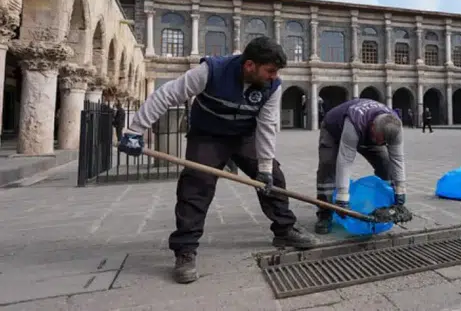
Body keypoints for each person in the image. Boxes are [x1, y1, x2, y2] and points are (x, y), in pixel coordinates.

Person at [117, 37, 317, 284]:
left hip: (244, 136)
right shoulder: (211, 71)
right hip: (208, 135)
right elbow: (166, 96)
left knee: (273, 178)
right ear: (250, 66)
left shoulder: (272, 87)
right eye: (270, 71)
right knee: (196, 186)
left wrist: (264, 168)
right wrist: (135, 131)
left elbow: (267, 126)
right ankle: (185, 250)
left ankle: (285, 229)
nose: (274, 77)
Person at [315, 98, 409, 234]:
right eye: (378, 139)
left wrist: (400, 189)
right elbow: (346, 159)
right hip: (334, 131)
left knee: (386, 165)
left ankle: (385, 205)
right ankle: (325, 212)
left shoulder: (394, 126)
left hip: (367, 135)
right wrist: (342, 196)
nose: (379, 143)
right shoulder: (355, 121)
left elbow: (397, 158)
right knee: (327, 166)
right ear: (372, 127)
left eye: (384, 142)